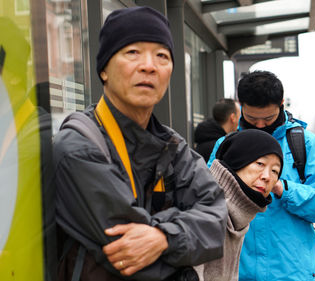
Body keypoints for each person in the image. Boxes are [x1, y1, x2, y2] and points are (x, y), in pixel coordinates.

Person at [53, 6, 227, 281]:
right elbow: (126, 251)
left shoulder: (172, 145)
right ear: (104, 70)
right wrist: (183, 232)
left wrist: (162, 238)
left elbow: (217, 222)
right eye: (132, 52)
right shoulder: (79, 146)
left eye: (162, 56)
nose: (149, 65)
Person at [207, 70, 315, 281]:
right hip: (238, 271)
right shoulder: (225, 145)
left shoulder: (305, 143)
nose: (260, 125)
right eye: (252, 118)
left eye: (268, 118)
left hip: (292, 273)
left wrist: (284, 189)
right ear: (241, 105)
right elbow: (207, 201)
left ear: (281, 104)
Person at [195, 129, 283, 281]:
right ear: (237, 159)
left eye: (275, 171)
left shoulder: (238, 215)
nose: (267, 176)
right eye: (260, 163)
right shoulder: (204, 211)